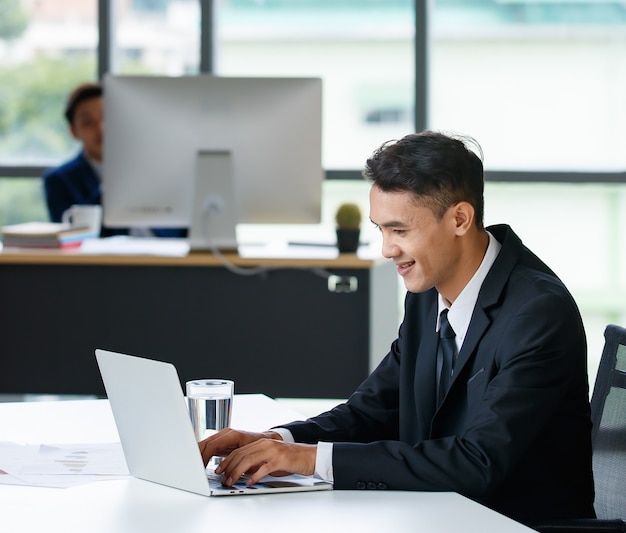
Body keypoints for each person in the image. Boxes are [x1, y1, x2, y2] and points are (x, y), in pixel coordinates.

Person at [199, 131, 595, 527]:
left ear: (459, 218)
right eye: (381, 230)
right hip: (438, 516)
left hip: (513, 524)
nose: (388, 250)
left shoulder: (538, 313)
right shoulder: (428, 291)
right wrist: (279, 440)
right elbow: (372, 411)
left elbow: (478, 461)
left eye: (400, 231)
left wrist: (310, 460)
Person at [42, 82, 186, 238]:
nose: (101, 128)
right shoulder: (59, 180)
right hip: (106, 259)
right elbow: (70, 235)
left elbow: (182, 224)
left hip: (167, 253)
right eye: (88, 123)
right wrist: (113, 183)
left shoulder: (158, 168)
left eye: (107, 117)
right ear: (74, 131)